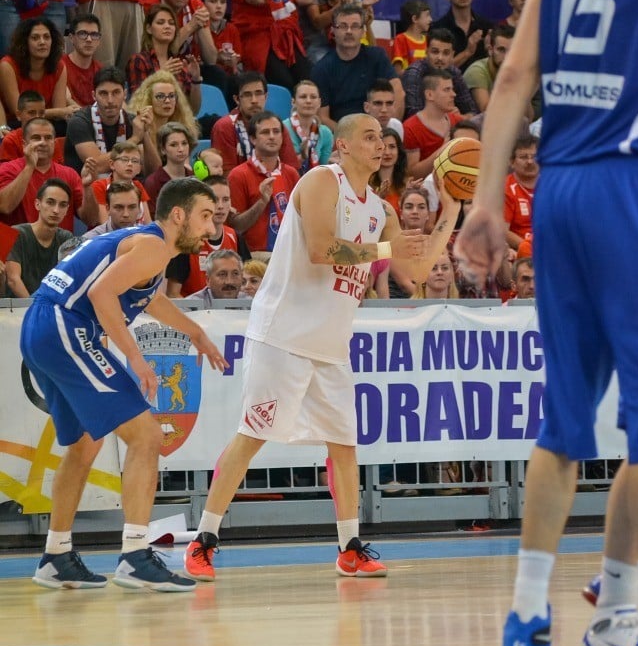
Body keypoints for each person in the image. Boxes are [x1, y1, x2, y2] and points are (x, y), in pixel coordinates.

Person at [453, 0, 638, 646]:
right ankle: (618, 615)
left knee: (563, 424)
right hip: (628, 187)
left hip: (559, 188)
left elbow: (510, 80)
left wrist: (488, 200)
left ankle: (528, 620)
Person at [183, 112, 461, 582]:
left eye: (383, 139)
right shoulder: (320, 180)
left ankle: (349, 547)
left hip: (331, 344)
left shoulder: (380, 208)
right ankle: (204, 540)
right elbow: (320, 250)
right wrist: (385, 251)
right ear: (344, 147)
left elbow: (414, 273)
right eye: (369, 137)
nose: (380, 145)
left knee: (345, 446)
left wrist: (450, 212)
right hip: (283, 335)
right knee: (253, 435)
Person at [23, 177, 228, 590]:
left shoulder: (151, 246)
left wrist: (194, 332)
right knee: (147, 435)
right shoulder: (152, 245)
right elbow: (101, 294)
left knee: (84, 444)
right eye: (205, 216)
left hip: (45, 326)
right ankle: (135, 555)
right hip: (64, 324)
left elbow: (149, 298)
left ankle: (56, 555)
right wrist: (136, 358)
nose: (211, 229)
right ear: (178, 215)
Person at [311, 4, 404, 130]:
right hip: (342, 134)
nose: (349, 31)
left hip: (379, 129)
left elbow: (398, 92)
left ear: (363, 31)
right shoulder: (321, 69)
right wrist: (353, 135)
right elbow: (323, 118)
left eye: (355, 26)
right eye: (343, 26)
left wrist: (387, 131)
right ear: (333, 30)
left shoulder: (377, 56)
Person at [0, 117, 99, 230]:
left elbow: (92, 219)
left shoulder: (69, 174)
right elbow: (5, 206)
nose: (43, 142)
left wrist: (87, 187)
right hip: (18, 245)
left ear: (54, 142)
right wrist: (29, 166)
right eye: (36, 138)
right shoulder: (7, 169)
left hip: (61, 246)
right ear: (24, 144)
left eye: (48, 138)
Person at [165, 173, 250, 297]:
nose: (220, 206)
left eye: (226, 199)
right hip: (195, 312)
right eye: (215, 200)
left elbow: (248, 285)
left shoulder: (236, 238)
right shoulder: (185, 242)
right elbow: (173, 294)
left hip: (230, 312)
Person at [228, 110, 300, 253]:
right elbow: (236, 227)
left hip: (289, 252)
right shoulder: (238, 175)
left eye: (276, 131)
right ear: (253, 139)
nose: (272, 137)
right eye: (265, 132)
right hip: (254, 256)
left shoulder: (291, 173)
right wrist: (262, 202)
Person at [64, 66, 151, 176]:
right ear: (94, 95)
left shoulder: (132, 121)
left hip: (126, 188)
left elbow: (152, 171)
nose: (110, 100)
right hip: (86, 187)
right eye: (103, 93)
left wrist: (145, 132)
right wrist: (135, 138)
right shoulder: (79, 122)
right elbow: (96, 166)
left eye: (116, 92)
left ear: (124, 94)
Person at [211, 71, 299, 173]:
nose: (254, 100)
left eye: (258, 93)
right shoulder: (224, 127)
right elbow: (226, 175)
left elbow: (291, 170)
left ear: (265, 97)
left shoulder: (276, 126)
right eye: (247, 95)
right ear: (237, 99)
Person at [126, 5, 203, 116]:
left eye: (171, 23)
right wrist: (161, 75)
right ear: (149, 29)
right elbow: (137, 104)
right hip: (149, 124)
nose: (167, 26)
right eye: (161, 22)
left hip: (177, 125)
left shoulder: (179, 64)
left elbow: (193, 111)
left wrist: (196, 80)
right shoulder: (139, 60)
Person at [141, 0, 218, 72]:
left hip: (188, 67)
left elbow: (211, 60)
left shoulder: (196, 5)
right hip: (158, 67)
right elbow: (162, 53)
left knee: (216, 73)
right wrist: (191, 26)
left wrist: (200, 27)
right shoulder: (148, 6)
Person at [5, 178, 74, 296]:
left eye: (62, 205)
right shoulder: (14, 233)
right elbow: (13, 280)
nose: (56, 210)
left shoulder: (67, 238)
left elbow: (69, 280)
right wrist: (34, 310)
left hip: (50, 307)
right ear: (37, 204)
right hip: (16, 309)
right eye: (50, 202)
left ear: (67, 210)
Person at [0, 18, 75, 126]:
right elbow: (18, 111)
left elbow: (59, 112)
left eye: (46, 37)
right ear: (25, 42)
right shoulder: (7, 65)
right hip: (14, 124)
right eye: (35, 38)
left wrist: (61, 112)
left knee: (64, 126)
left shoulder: (59, 66)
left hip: (45, 122)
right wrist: (60, 112)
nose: (42, 42)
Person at [127, 70, 200, 177]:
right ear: (149, 99)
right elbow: (153, 172)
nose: (167, 101)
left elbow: (185, 165)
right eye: (160, 96)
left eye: (171, 96)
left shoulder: (181, 127)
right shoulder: (139, 126)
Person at [402, 27, 478, 118]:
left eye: (446, 53)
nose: (440, 58)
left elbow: (472, 112)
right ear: (426, 52)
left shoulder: (454, 73)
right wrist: (444, 115)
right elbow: (412, 114)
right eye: (435, 52)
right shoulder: (414, 73)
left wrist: (460, 117)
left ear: (452, 55)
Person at [403, 70, 462, 179]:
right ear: (429, 94)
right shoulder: (411, 128)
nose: (453, 94)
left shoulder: (458, 122)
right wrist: (443, 150)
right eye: (446, 90)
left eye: (452, 89)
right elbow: (412, 173)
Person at [431, 0, 494, 71]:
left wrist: (491, 52)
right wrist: (467, 52)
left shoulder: (487, 27)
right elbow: (437, 70)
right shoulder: (437, 29)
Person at [91, 141, 151, 224]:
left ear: (139, 169)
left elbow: (148, 222)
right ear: (112, 164)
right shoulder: (100, 186)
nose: (130, 164)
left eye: (135, 161)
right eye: (124, 159)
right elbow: (104, 224)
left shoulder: (138, 186)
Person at [144, 120, 195, 218]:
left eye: (184, 143)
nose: (181, 149)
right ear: (163, 149)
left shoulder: (193, 177)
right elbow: (153, 219)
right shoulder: (153, 182)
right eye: (174, 145)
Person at [283, 79, 334, 174]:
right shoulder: (282, 129)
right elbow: (280, 167)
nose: (308, 101)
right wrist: (302, 158)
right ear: (293, 102)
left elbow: (325, 169)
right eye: (303, 97)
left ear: (319, 103)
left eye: (313, 97)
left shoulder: (326, 133)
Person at [463, 25, 516, 113]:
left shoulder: (516, 71)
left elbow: (529, 116)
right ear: (490, 50)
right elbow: (486, 111)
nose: (507, 57)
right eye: (501, 50)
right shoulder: (476, 71)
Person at [0, 90, 64, 162]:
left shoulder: (51, 141)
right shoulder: (11, 141)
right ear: (18, 115)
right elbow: (8, 172)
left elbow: (57, 170)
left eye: (41, 113)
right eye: (31, 113)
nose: (37, 117)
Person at [198, 0, 243, 77]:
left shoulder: (232, 29)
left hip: (229, 78)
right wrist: (217, 58)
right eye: (213, 1)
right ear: (202, 4)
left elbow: (239, 63)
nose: (219, 6)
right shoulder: (197, 29)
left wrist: (234, 63)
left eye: (223, 2)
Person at [504, 134, 539, 251]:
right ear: (511, 162)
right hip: (521, 254)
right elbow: (502, 231)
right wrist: (529, 248)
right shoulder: (505, 188)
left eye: (534, 156)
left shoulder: (554, 185)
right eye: (523, 157)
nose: (530, 161)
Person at [63, 14, 104, 109]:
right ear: (71, 38)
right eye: (82, 34)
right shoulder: (60, 65)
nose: (89, 39)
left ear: (99, 41)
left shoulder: (101, 70)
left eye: (94, 35)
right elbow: (67, 101)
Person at [368, 127, 410, 216]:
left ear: (399, 151)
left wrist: (411, 195)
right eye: (382, 147)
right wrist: (379, 198)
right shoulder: (365, 184)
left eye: (392, 147)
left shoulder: (407, 184)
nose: (387, 152)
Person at [391, 0, 431, 75]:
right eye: (427, 15)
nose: (430, 19)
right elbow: (397, 72)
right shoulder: (400, 39)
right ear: (415, 19)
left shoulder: (428, 39)